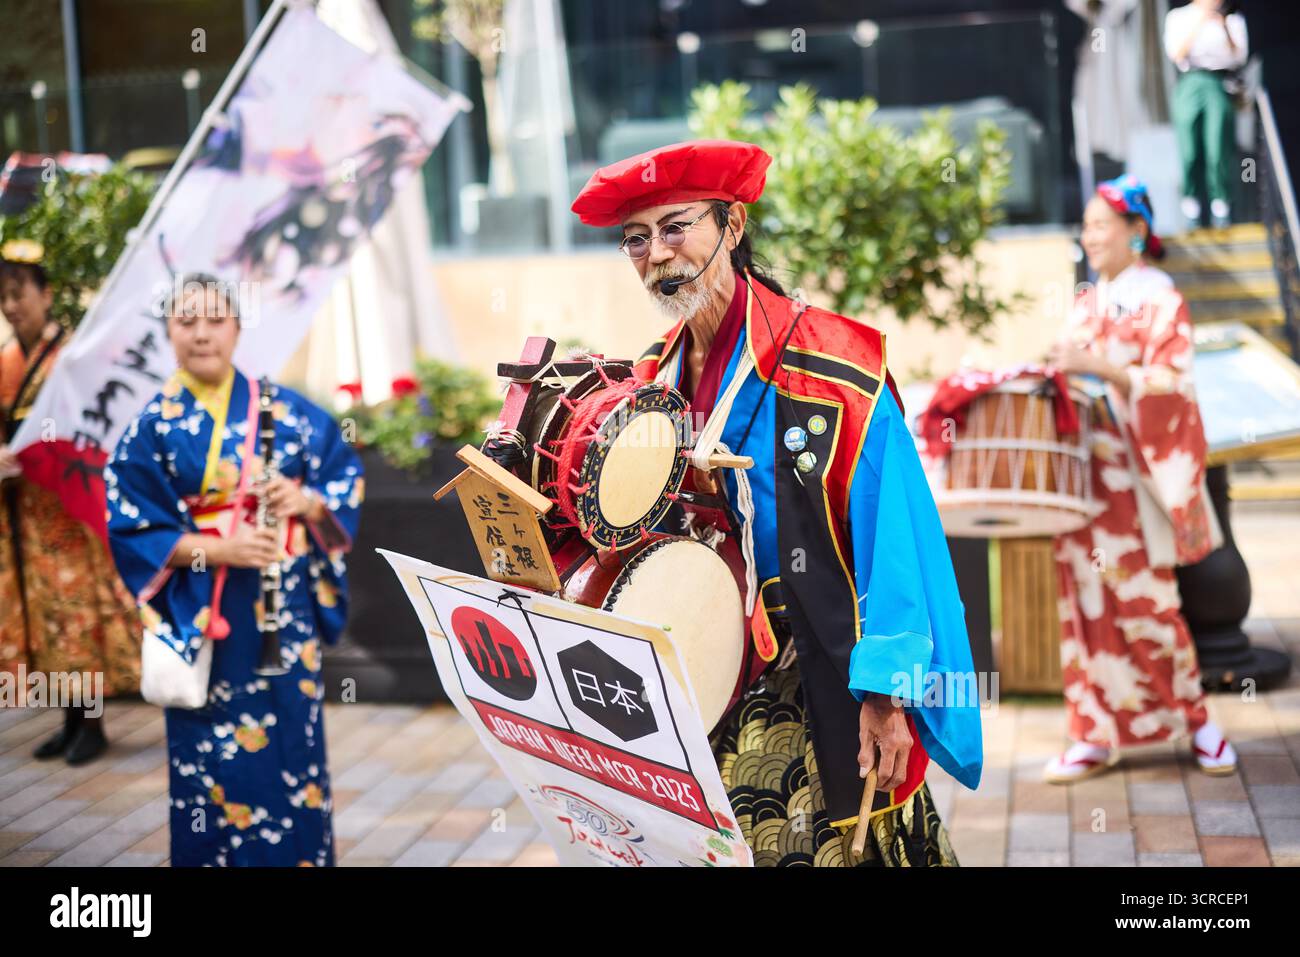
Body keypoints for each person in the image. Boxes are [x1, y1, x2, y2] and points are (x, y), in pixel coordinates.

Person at [571, 140, 983, 867]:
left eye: (676, 227)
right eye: (637, 238)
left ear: (731, 227)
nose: (657, 254)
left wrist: (888, 693)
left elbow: (898, 536)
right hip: (701, 669)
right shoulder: (652, 374)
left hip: (818, 665)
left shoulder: (835, 367)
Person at [105, 274, 364, 866]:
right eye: (186, 321)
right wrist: (216, 549)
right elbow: (129, 525)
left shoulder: (285, 410)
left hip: (284, 610)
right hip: (207, 614)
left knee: (294, 741)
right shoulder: (152, 426)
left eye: (214, 320)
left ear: (237, 328)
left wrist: (308, 503)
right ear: (168, 330)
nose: (201, 334)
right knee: (208, 757)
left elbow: (341, 473)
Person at [1044, 175, 1236, 783]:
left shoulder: (1161, 298)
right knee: (1085, 605)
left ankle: (1199, 720)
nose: (1090, 235)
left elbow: (1173, 384)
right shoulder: (1087, 298)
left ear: (1137, 231)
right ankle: (1092, 732)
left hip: (1132, 480)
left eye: (1102, 224)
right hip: (1082, 486)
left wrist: (1100, 368)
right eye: (1086, 225)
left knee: (1150, 604)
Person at [0, 239, 140, 764]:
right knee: (40, 617)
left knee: (74, 611)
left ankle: (91, 722)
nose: (12, 306)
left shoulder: (74, 359)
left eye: (20, 293)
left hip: (68, 507)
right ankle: (68, 718)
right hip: (22, 509)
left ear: (45, 293)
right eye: (4, 296)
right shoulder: (6, 361)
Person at [1164, 0, 1249, 228]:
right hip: (1190, 80)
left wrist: (1222, 25)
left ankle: (1220, 206)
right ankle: (1191, 206)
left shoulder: (1232, 19)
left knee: (1218, 146)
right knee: (1189, 148)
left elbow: (1239, 56)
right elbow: (1176, 53)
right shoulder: (1178, 17)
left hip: (1219, 81)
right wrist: (1201, 20)